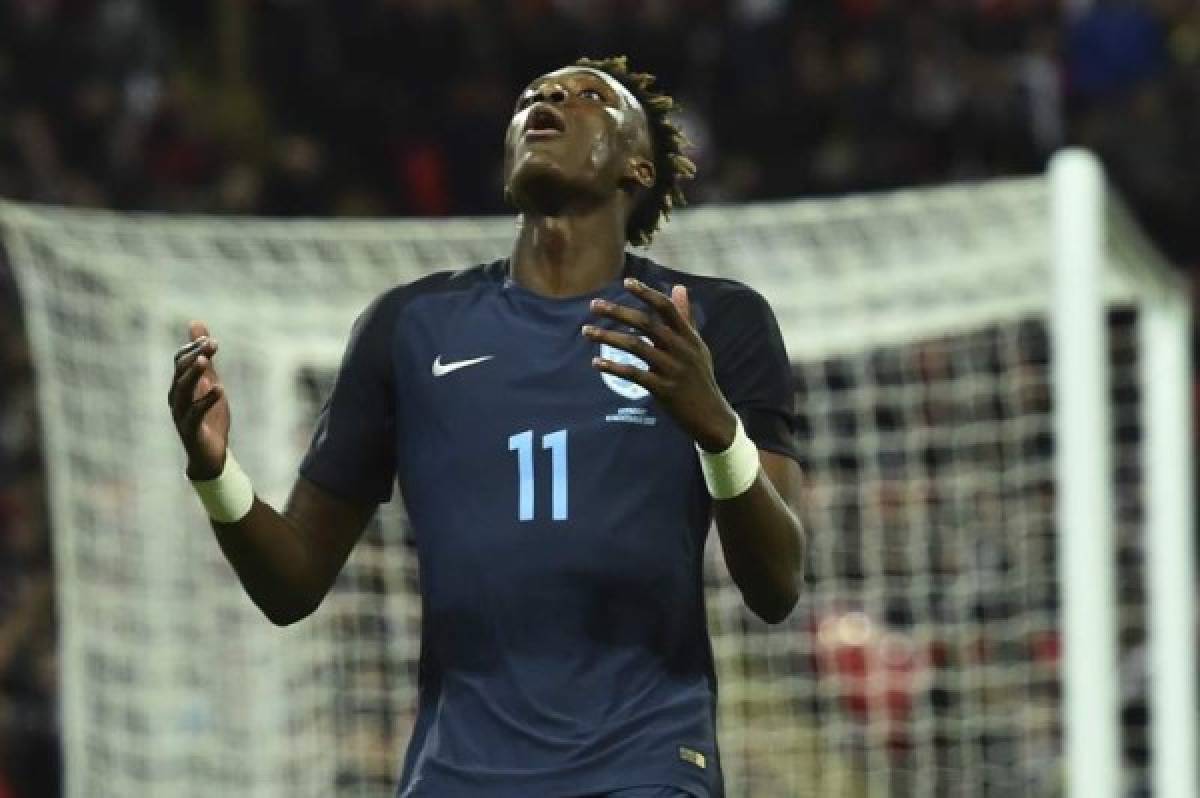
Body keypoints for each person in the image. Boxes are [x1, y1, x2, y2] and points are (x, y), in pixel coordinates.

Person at [168, 55, 805, 798]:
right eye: (536, 95)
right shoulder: (410, 326)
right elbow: (293, 584)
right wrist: (215, 472)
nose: (551, 101)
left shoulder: (712, 323)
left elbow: (778, 586)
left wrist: (717, 431)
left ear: (639, 165)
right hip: (455, 776)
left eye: (589, 97)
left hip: (644, 767)